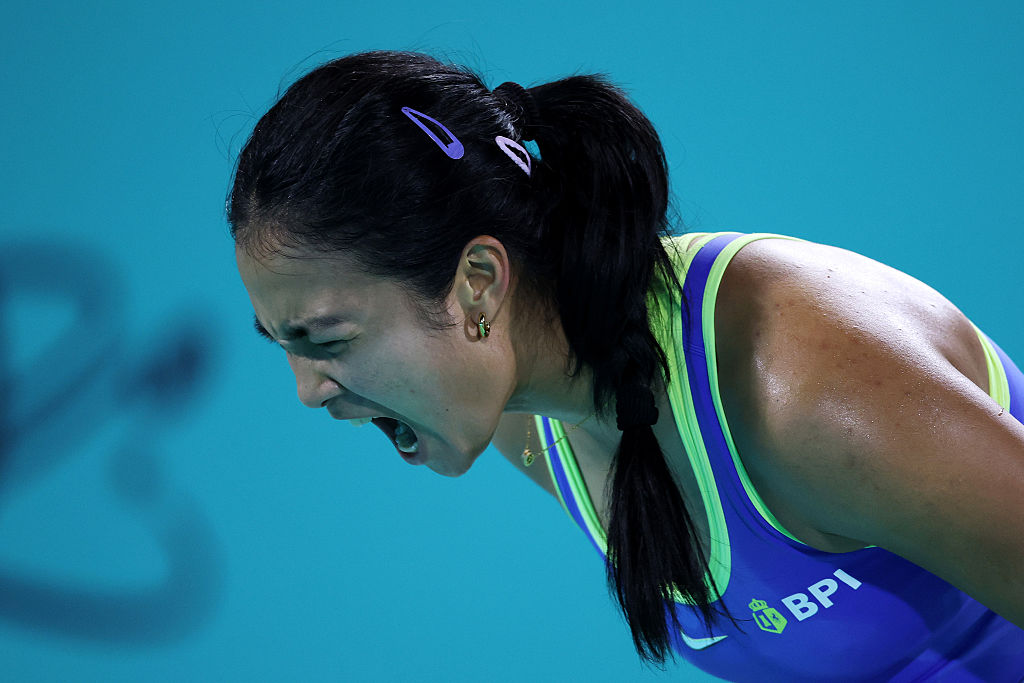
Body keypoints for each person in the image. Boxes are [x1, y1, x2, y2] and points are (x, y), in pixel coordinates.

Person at [228, 49, 1024, 681]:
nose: (307, 391)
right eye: (285, 347)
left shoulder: (801, 390)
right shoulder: (527, 417)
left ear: (477, 284)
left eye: (327, 340)